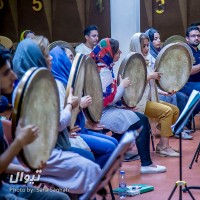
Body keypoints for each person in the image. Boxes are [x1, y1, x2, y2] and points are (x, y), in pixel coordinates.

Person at [12, 38, 101, 194]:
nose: (51, 57)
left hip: (42, 148)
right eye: (46, 55)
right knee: (90, 168)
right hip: (41, 154)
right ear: (36, 59)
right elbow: (58, 124)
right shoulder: (36, 89)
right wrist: (70, 105)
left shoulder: (24, 85)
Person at [0, 47, 69, 199]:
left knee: (61, 198)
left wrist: (27, 171)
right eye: (6, 73)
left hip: (4, 186)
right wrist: (18, 142)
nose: (13, 76)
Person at [90, 38, 166, 174]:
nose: (120, 52)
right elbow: (108, 99)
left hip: (104, 110)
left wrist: (124, 106)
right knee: (141, 121)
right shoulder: (103, 72)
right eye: (116, 50)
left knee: (135, 121)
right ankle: (146, 164)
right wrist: (122, 86)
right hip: (102, 114)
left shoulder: (102, 67)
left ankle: (116, 156)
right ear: (108, 53)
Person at [50, 45, 119, 169]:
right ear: (61, 60)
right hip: (71, 134)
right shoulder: (57, 84)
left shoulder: (69, 81)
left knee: (114, 143)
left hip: (79, 129)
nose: (72, 62)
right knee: (110, 148)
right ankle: (92, 178)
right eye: (70, 58)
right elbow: (58, 119)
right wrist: (79, 105)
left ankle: (94, 176)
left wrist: (88, 124)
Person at [129, 32, 182, 157]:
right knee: (167, 112)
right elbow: (133, 85)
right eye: (144, 46)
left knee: (174, 110)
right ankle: (164, 146)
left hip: (149, 98)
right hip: (138, 102)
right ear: (136, 46)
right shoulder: (132, 61)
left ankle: (162, 139)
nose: (147, 49)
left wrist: (165, 92)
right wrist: (150, 76)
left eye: (148, 45)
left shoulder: (145, 60)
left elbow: (150, 86)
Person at [146, 28, 193, 138]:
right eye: (155, 39)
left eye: (159, 38)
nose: (158, 41)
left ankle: (177, 127)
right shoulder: (148, 57)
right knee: (177, 98)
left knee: (182, 97)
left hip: (162, 87)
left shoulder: (161, 52)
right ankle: (171, 129)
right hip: (154, 91)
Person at [179, 26, 200, 123]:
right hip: (185, 84)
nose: (196, 38)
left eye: (198, 36)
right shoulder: (185, 52)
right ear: (187, 38)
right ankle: (186, 118)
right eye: (193, 36)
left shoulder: (198, 52)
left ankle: (188, 117)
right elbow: (187, 71)